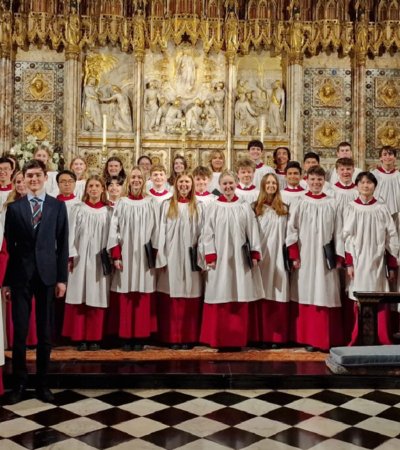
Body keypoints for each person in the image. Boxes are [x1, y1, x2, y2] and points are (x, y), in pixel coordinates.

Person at [3, 159, 68, 404]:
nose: (33, 179)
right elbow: (10, 247)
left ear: (45, 177)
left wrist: (62, 279)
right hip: (21, 276)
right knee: (20, 332)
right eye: (29, 175)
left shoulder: (57, 207)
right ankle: (19, 383)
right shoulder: (15, 208)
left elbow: (62, 246)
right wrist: (8, 282)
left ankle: (43, 384)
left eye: (38, 175)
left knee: (45, 332)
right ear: (24, 178)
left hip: (48, 275)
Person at [199, 170, 264, 350]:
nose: (228, 187)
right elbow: (207, 233)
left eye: (231, 183)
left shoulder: (244, 206)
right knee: (220, 293)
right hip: (219, 260)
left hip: (240, 259)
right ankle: (219, 339)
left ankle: (237, 339)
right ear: (219, 186)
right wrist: (210, 255)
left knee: (238, 293)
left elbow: (253, 231)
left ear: (236, 184)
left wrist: (254, 253)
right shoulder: (212, 206)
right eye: (224, 184)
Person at [286, 165, 343, 351]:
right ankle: (307, 338)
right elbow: (291, 229)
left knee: (324, 292)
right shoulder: (300, 201)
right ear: (307, 179)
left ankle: (325, 338)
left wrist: (339, 256)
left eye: (320, 180)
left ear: (324, 181)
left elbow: (339, 231)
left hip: (325, 256)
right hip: (305, 255)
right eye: (313, 179)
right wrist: (294, 254)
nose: (316, 183)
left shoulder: (332, 202)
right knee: (307, 291)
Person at [343, 172, 399, 345]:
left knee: (379, 297)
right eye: (362, 183)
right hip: (358, 262)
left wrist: (391, 265)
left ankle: (382, 337)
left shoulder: (382, 208)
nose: (365, 186)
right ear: (357, 186)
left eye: (369, 183)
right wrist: (349, 263)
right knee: (359, 297)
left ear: (374, 186)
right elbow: (345, 236)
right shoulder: (351, 207)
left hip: (377, 261)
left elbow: (392, 237)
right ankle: (358, 337)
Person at [107, 166, 158, 351]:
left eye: (139, 177)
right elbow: (114, 229)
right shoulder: (122, 203)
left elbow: (157, 230)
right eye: (133, 177)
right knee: (126, 293)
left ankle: (140, 336)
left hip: (144, 256)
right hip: (126, 254)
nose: (136, 180)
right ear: (129, 180)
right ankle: (126, 336)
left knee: (142, 294)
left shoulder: (151, 202)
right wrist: (116, 255)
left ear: (144, 181)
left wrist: (154, 254)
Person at [62, 176, 111, 351]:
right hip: (80, 258)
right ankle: (79, 337)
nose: (94, 189)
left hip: (99, 259)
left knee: (96, 295)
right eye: (91, 186)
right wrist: (70, 256)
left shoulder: (108, 211)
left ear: (103, 189)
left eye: (97, 186)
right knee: (80, 294)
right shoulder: (78, 209)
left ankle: (94, 337)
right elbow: (70, 234)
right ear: (86, 189)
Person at [156, 172, 204, 349]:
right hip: (171, 255)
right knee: (171, 293)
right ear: (176, 185)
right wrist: (161, 257)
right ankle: (172, 338)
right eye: (181, 182)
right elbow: (160, 232)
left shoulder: (198, 205)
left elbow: (203, 232)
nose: (184, 185)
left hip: (191, 256)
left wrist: (201, 256)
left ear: (192, 185)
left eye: (187, 182)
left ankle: (188, 337)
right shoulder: (167, 205)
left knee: (190, 292)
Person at [250, 173, 290, 346]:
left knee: (277, 293)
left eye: (274, 183)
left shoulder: (284, 208)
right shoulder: (254, 207)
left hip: (278, 256)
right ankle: (260, 336)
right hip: (261, 256)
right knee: (261, 293)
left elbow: (290, 233)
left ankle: (277, 337)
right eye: (268, 183)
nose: (271, 186)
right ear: (263, 185)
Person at [372, 146, 400, 219]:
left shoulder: (398, 176)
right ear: (380, 158)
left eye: (390, 154)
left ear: (395, 158)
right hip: (376, 212)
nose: (388, 157)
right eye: (384, 154)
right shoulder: (373, 175)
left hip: (395, 213)